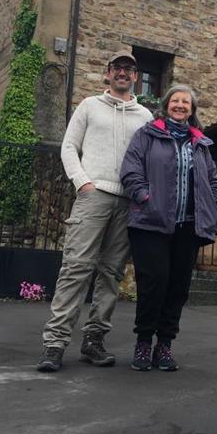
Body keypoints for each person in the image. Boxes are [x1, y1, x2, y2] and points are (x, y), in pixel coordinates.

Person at [37, 50, 153, 372]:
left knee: (112, 273)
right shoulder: (89, 106)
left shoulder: (144, 116)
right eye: (117, 68)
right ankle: (55, 344)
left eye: (128, 69)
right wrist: (82, 182)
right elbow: (69, 146)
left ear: (135, 76)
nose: (122, 73)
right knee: (76, 268)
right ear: (108, 73)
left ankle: (94, 341)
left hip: (127, 202)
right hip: (93, 195)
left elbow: (148, 159)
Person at [120, 84, 217, 371]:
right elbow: (130, 170)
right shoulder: (147, 135)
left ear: (192, 109)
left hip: (187, 227)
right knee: (153, 283)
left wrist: (212, 204)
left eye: (186, 102)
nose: (180, 105)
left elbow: (213, 181)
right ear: (166, 106)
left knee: (177, 287)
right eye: (175, 100)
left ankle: (164, 346)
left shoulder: (200, 144)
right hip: (150, 223)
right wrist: (145, 198)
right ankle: (143, 343)